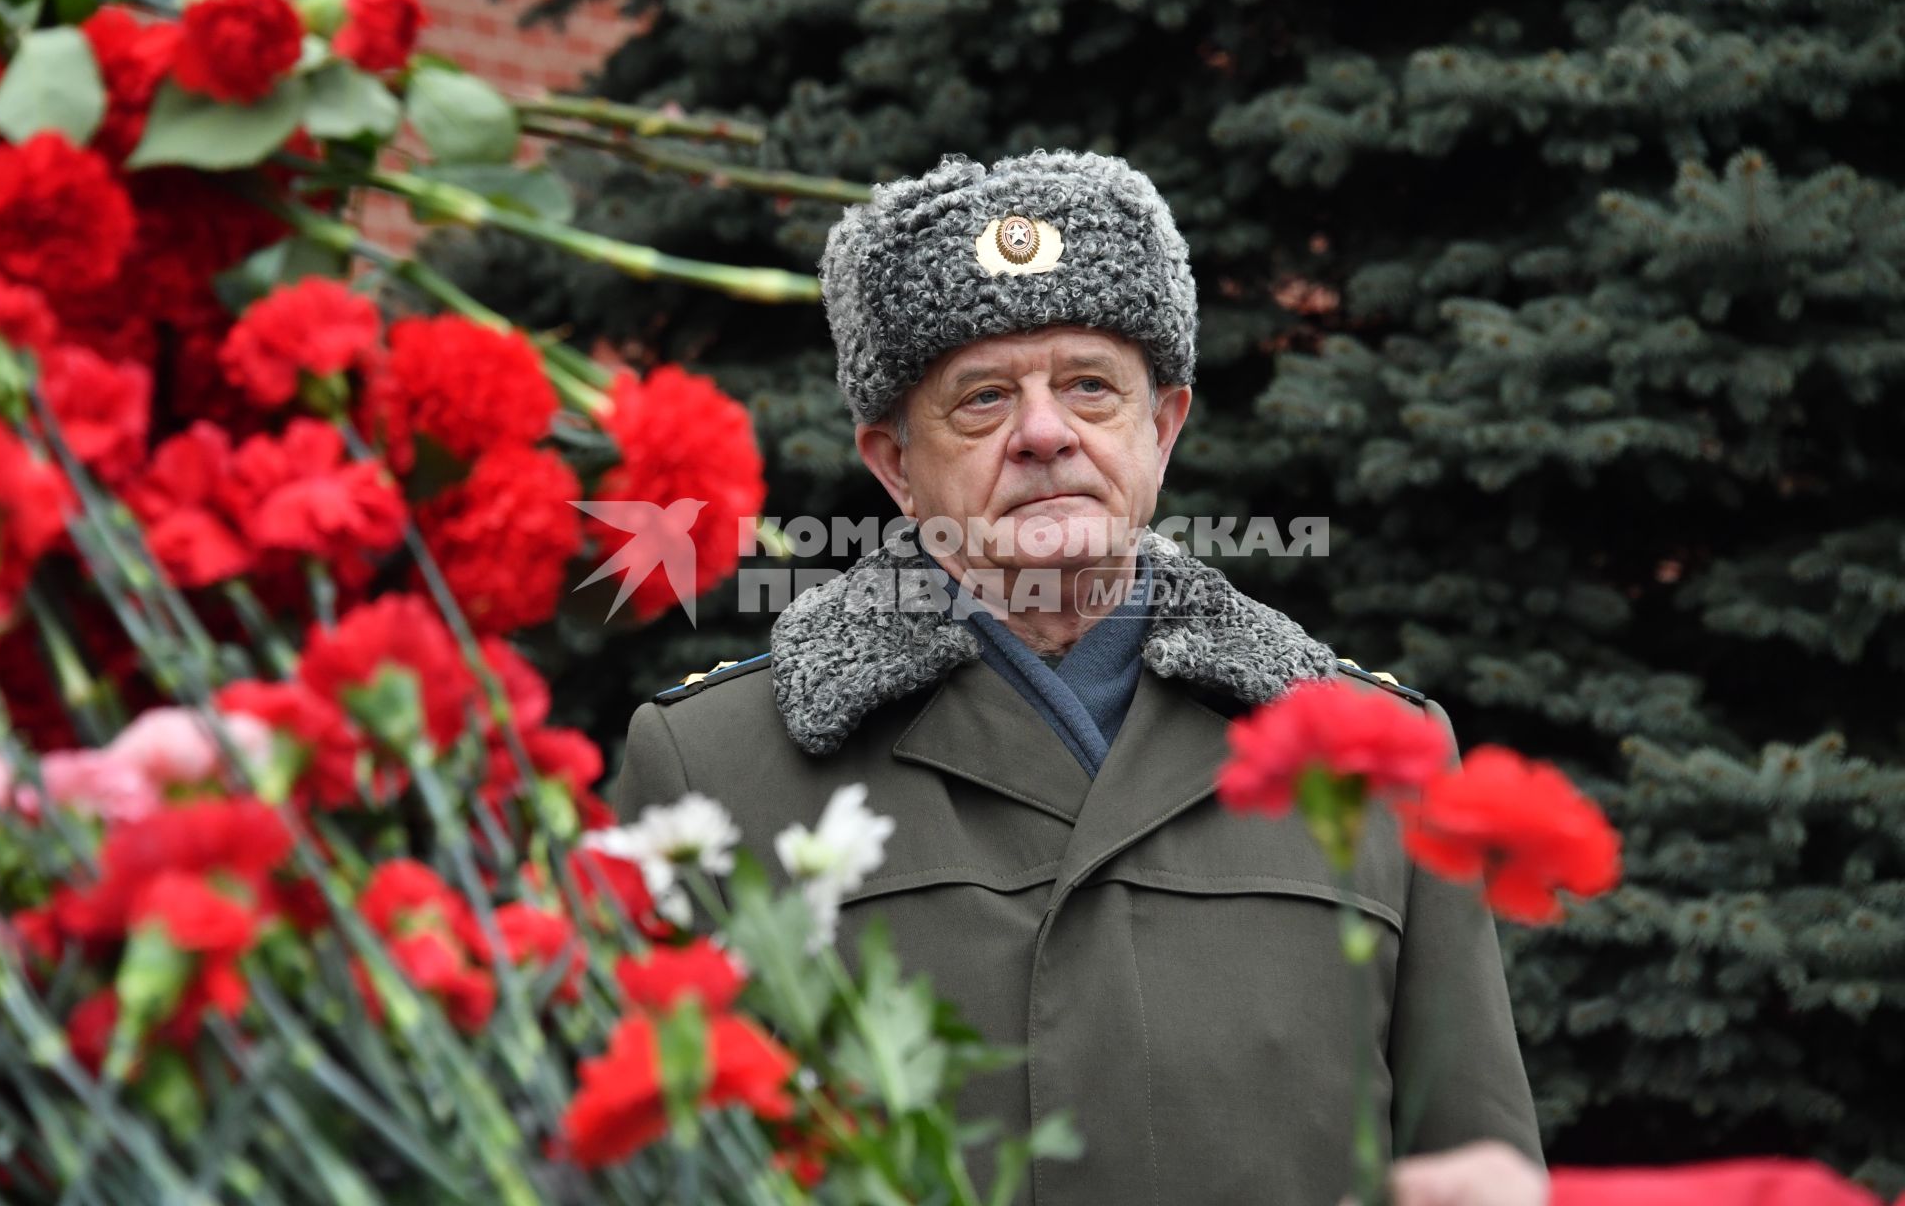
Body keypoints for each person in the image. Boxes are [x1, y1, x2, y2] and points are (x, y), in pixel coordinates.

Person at [607, 149, 1544, 1204]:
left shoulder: (1379, 761)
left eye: (1090, 386)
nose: (1045, 433)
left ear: (1164, 425)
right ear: (893, 465)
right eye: (983, 397)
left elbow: (1479, 1173)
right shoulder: (718, 768)